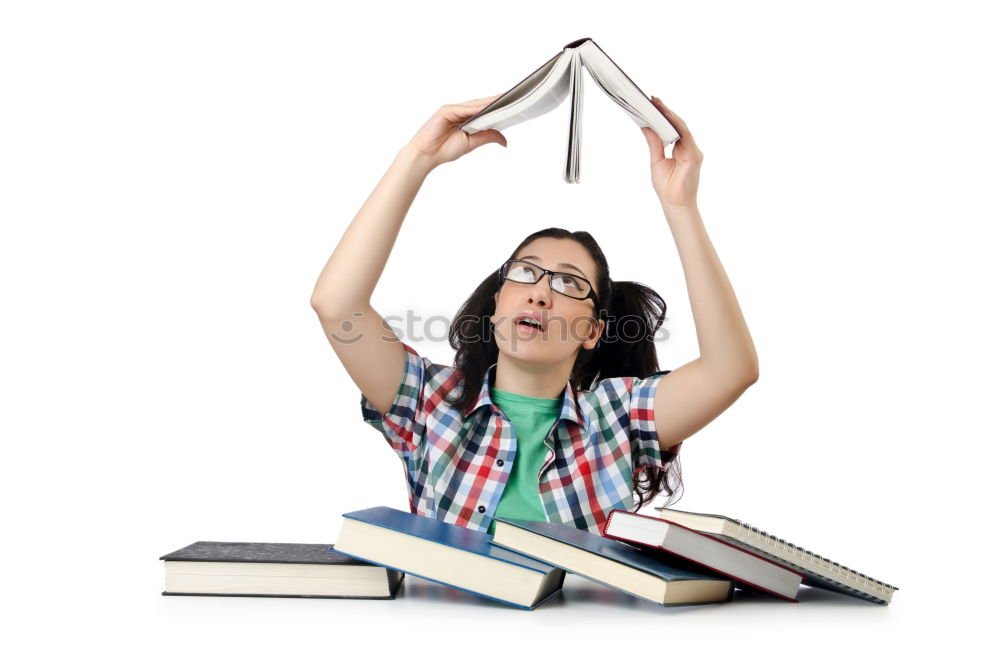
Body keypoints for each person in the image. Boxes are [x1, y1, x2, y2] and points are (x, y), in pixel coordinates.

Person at [310, 93, 759, 536]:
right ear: (496, 304)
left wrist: (681, 207)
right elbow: (336, 305)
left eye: (568, 283)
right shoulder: (430, 402)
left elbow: (730, 369)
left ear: (592, 331)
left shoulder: (618, 418)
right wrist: (417, 158)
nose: (541, 293)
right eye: (526, 273)